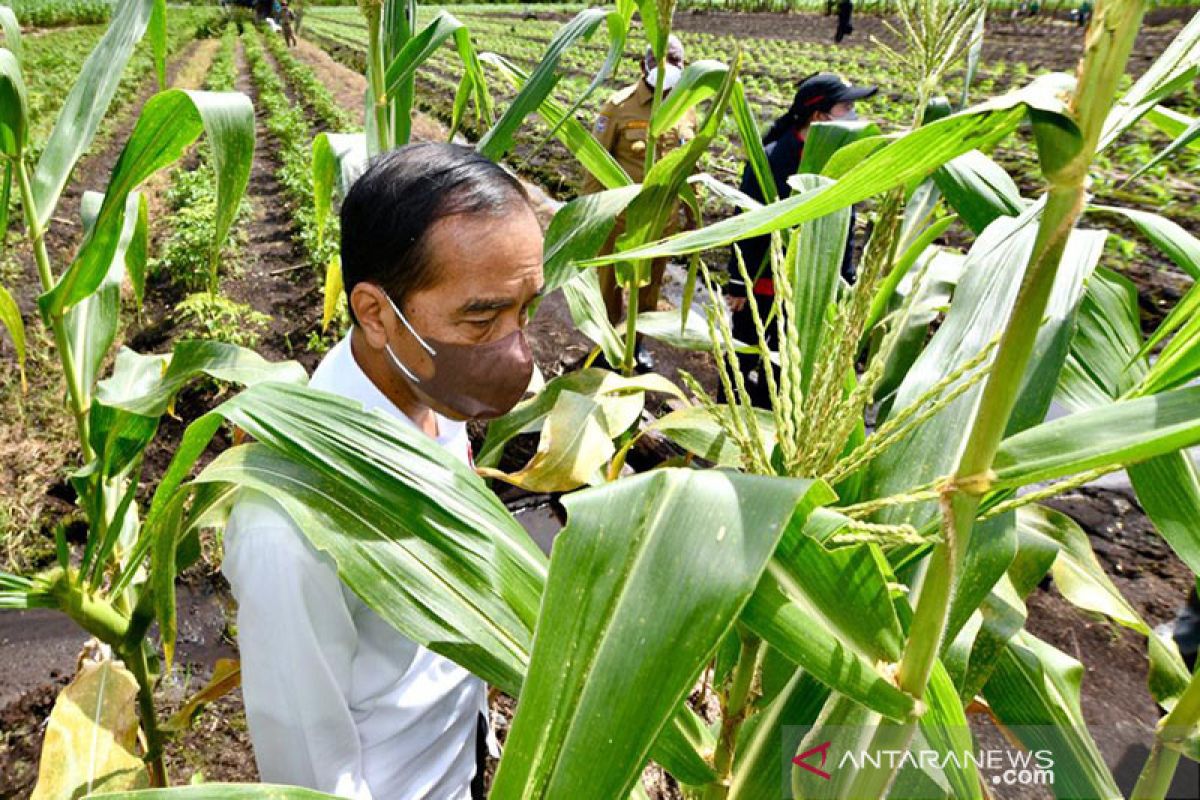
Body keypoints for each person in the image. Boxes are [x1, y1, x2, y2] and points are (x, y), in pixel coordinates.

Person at [221, 143, 543, 800]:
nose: (515, 350)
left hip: (462, 753)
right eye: (481, 317)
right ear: (375, 313)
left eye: (525, 309)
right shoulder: (292, 522)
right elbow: (309, 768)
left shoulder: (435, 395)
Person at [722, 73, 876, 407]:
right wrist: (737, 282)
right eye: (846, 107)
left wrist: (845, 280)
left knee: (785, 372)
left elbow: (845, 225)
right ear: (819, 116)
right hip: (764, 287)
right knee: (744, 362)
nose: (854, 115)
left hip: (810, 293)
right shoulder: (773, 157)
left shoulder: (840, 161)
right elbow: (746, 220)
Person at [581, 35, 698, 373]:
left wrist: (693, 217)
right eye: (661, 58)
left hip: (663, 220)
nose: (668, 67)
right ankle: (607, 343)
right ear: (644, 65)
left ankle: (638, 343)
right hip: (620, 219)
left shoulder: (686, 107)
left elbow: (691, 166)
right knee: (611, 284)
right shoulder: (618, 106)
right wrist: (589, 217)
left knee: (651, 287)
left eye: (675, 59)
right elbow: (594, 163)